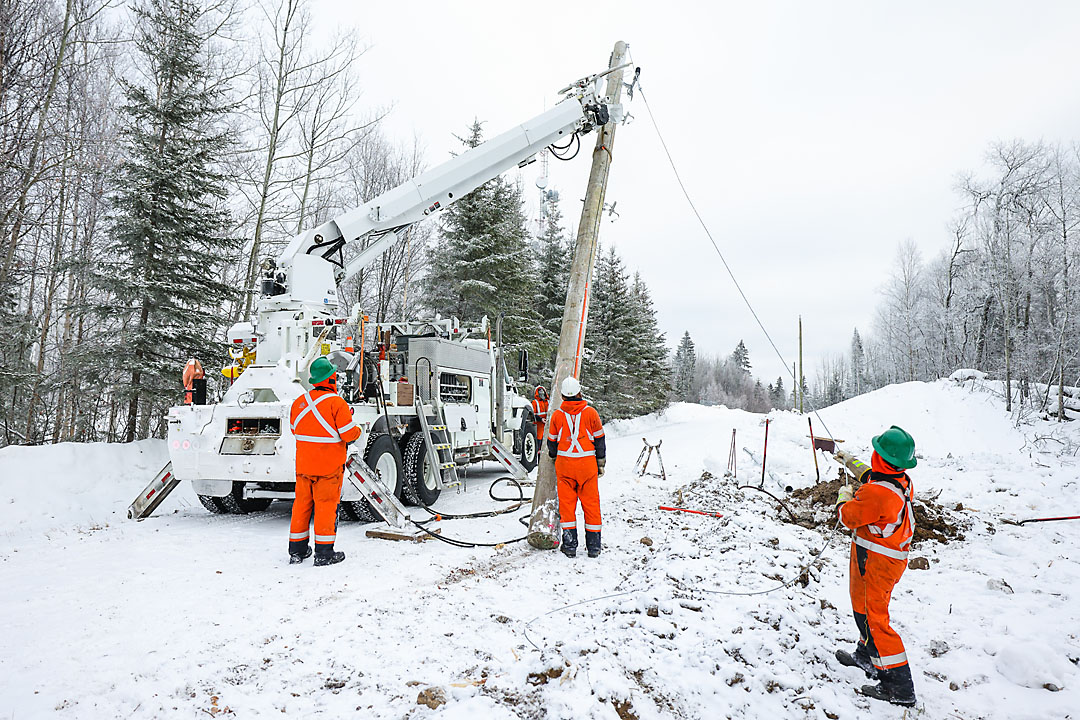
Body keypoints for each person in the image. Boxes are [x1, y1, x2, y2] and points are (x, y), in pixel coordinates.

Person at [833, 426, 918, 707]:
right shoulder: (899, 481)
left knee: (872, 617)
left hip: (875, 563)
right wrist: (849, 460)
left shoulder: (877, 495)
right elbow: (869, 475)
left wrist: (844, 497)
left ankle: (899, 686)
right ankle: (866, 656)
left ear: (882, 457)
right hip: (884, 559)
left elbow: (847, 517)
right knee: (865, 609)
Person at [288, 357, 362, 566]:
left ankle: (297, 550)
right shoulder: (337, 403)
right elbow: (349, 434)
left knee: (301, 506)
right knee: (325, 508)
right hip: (328, 469)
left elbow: (295, 430)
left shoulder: (299, 403)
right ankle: (324, 554)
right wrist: (359, 431)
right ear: (329, 378)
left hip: (304, 467)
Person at [546, 376, 606, 558]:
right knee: (591, 506)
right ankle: (594, 547)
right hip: (587, 467)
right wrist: (601, 463)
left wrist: (554, 456)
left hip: (565, 468)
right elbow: (600, 441)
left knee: (567, 507)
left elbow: (551, 444)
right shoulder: (591, 413)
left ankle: (570, 546)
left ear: (563, 396)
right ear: (580, 392)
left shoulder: (557, 415)